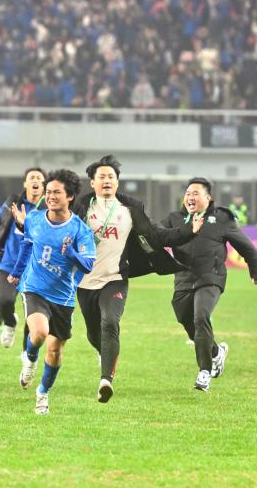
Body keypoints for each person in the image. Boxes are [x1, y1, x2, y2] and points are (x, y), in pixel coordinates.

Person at [72, 155, 184, 402]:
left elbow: (158, 235)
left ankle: (106, 381)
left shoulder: (130, 210)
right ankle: (104, 353)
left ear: (117, 182)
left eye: (111, 177)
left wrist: (188, 232)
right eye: (102, 177)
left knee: (110, 322)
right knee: (93, 334)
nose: (107, 180)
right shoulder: (80, 209)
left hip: (115, 278)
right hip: (84, 282)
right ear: (92, 182)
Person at [156, 178, 257, 392]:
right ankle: (216, 352)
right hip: (183, 278)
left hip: (211, 277)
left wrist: (256, 269)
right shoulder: (174, 219)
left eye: (195, 193)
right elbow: (157, 235)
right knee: (185, 318)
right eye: (188, 193)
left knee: (201, 316)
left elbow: (246, 246)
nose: (190, 197)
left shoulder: (221, 218)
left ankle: (204, 371)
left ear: (208, 197)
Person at [9, 169, 96, 415]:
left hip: (63, 297)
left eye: (57, 192)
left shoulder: (80, 230)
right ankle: (30, 358)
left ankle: (42, 393)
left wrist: (72, 254)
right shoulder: (35, 219)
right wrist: (17, 271)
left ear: (70, 197)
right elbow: (27, 244)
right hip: (34, 287)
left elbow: (88, 265)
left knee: (55, 350)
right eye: (48, 192)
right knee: (39, 333)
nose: (50, 196)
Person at [0, 167, 45, 349]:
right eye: (31, 177)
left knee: (32, 314)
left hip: (35, 269)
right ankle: (10, 323)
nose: (35, 180)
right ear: (25, 183)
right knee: (4, 301)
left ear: (44, 185)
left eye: (39, 178)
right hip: (9, 264)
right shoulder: (13, 203)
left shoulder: (48, 209)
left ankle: (27, 354)